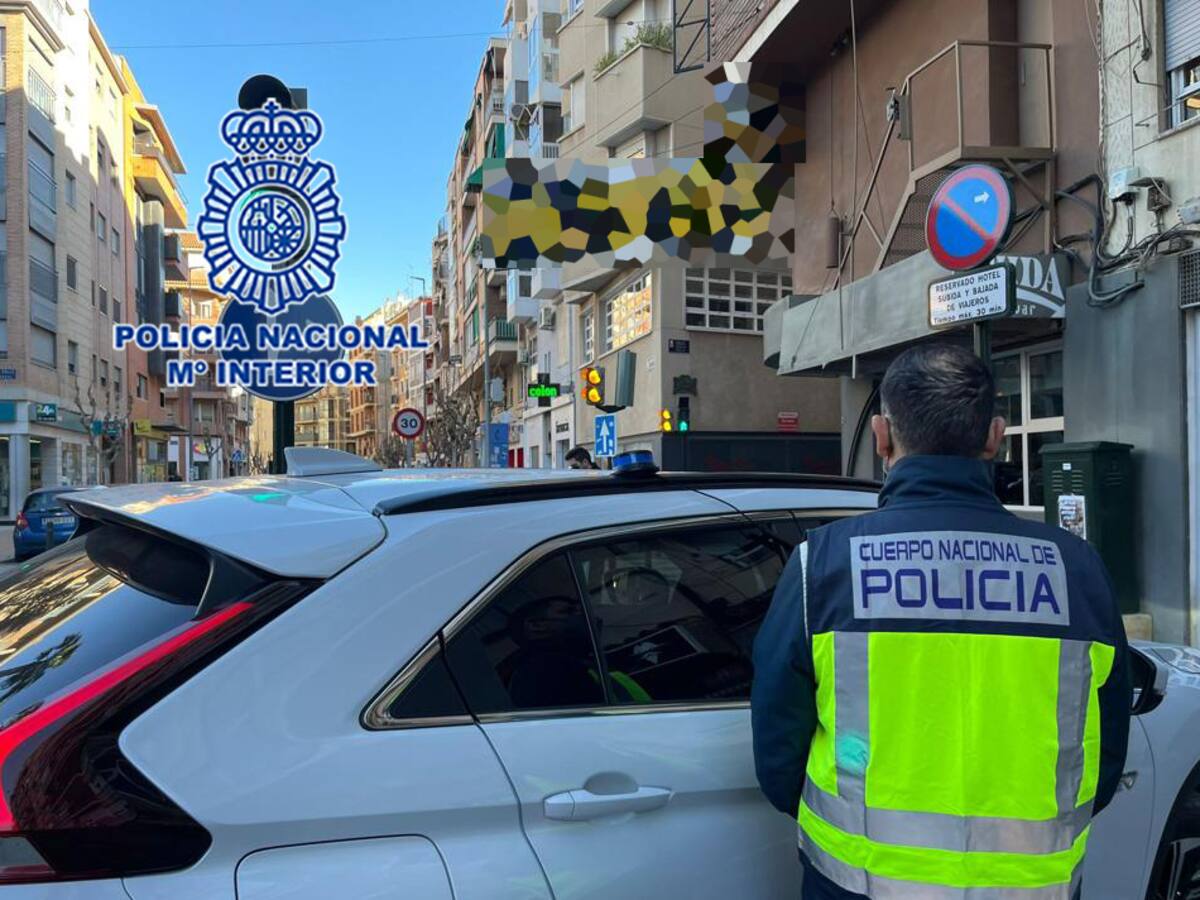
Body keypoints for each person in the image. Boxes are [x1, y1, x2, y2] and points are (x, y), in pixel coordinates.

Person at [751, 343, 1130, 900]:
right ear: (995, 437)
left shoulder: (823, 565)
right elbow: (1106, 749)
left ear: (881, 435)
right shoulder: (1077, 569)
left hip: (858, 883)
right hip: (1029, 888)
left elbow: (778, 747)